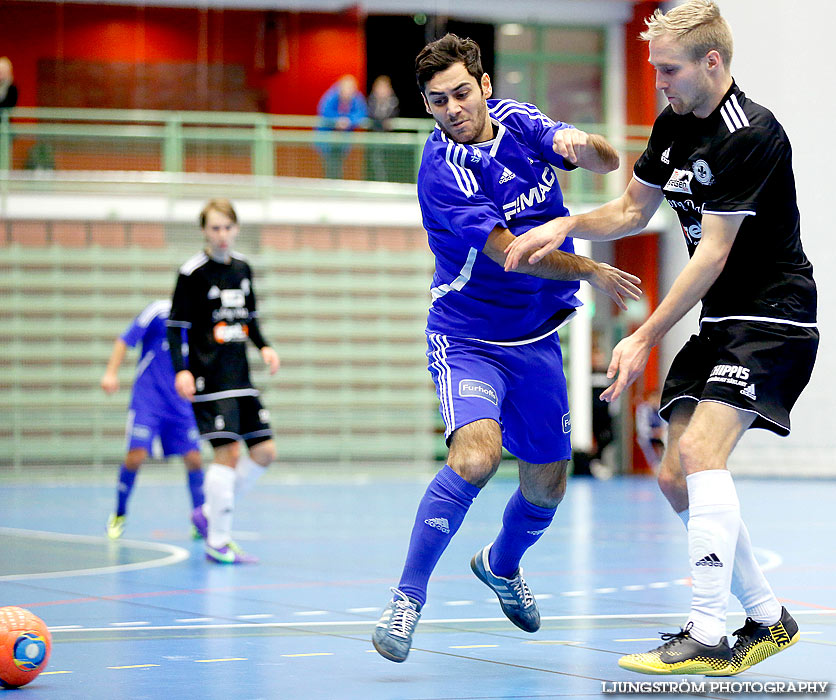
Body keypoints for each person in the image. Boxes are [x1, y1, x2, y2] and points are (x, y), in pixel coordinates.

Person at [505, 0, 817, 676]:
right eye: (653, 71)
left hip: (774, 315)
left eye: (669, 70)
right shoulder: (674, 123)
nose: (660, 83)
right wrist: (563, 225)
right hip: (722, 319)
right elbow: (628, 209)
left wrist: (643, 334)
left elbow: (711, 255)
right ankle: (768, 618)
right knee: (674, 472)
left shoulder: (753, 132)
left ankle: (707, 630)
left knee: (703, 452)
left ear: (714, 62)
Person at [371, 33, 642, 664]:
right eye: (437, 102)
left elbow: (598, 158)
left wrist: (587, 148)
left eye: (461, 93)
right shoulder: (440, 171)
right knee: (476, 457)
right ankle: (407, 598)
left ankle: (500, 564)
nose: (453, 109)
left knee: (549, 481)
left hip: (536, 339)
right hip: (466, 336)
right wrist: (593, 270)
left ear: (485, 86)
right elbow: (514, 255)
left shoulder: (519, 121)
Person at [167, 198, 280, 565]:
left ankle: (209, 512)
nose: (221, 235)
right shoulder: (191, 273)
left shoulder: (243, 268)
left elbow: (250, 319)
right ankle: (218, 540)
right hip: (209, 379)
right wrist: (181, 369)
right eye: (214, 228)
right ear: (204, 231)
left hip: (241, 377)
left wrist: (264, 347)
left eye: (227, 227)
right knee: (227, 453)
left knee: (264, 452)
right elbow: (176, 328)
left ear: (236, 229)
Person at [101, 301, 206, 540]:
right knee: (136, 455)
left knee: (194, 459)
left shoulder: (202, 318)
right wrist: (111, 372)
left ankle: (200, 518)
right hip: (148, 399)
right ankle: (119, 513)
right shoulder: (159, 312)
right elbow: (124, 340)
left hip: (180, 402)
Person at [316, 75, 367, 179]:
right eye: (346, 88)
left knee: (338, 163)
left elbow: (361, 113)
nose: (348, 91)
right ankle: (330, 184)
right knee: (329, 164)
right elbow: (324, 111)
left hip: (343, 140)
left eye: (351, 88)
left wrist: (348, 121)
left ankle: (336, 184)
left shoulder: (357, 98)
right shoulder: (331, 96)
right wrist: (337, 121)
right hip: (327, 138)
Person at [366, 75, 399, 182]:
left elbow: (392, 116)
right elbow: (372, 116)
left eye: (384, 87)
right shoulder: (370, 101)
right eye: (379, 87)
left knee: (390, 162)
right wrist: (381, 122)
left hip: (390, 140)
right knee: (375, 161)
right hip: (374, 138)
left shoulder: (394, 102)